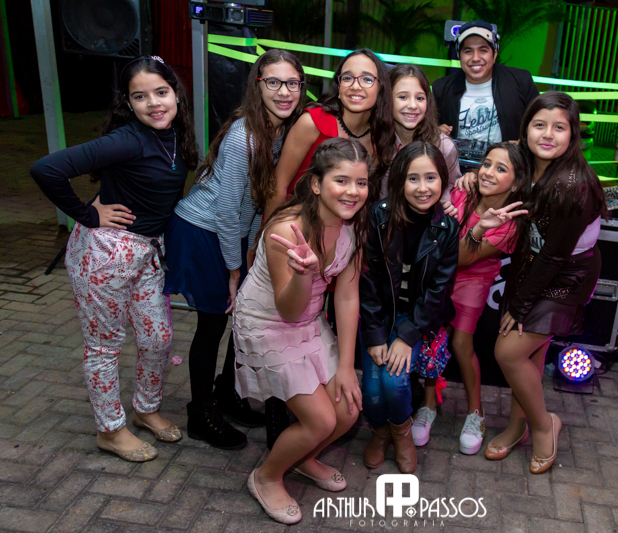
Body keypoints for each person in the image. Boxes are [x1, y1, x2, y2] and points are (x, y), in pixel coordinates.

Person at [30, 56, 198, 462]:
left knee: (158, 338)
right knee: (104, 347)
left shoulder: (176, 135)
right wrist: (88, 214)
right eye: (140, 97)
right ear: (128, 103)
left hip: (147, 255)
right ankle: (110, 430)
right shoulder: (127, 139)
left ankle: (145, 409)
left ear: (176, 94)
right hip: (104, 255)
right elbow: (46, 169)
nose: (153, 103)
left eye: (161, 92)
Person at [162, 50, 306, 449]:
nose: (283, 92)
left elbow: (256, 202)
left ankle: (227, 393)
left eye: (292, 83)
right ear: (257, 86)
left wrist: (253, 246)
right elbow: (227, 209)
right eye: (273, 82)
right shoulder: (245, 136)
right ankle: (201, 413)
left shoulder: (282, 131)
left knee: (239, 316)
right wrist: (234, 268)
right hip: (202, 230)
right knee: (214, 322)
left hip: (233, 231)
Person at [234, 138, 368, 525]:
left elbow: (347, 297)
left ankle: (304, 458)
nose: (353, 192)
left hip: (309, 322)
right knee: (321, 420)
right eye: (341, 181)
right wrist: (304, 275)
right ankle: (266, 476)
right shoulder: (287, 230)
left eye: (361, 183)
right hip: (268, 323)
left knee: (348, 409)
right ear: (316, 184)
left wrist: (346, 367)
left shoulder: (353, 227)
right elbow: (288, 309)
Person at [488, 92, 607, 474]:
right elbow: (494, 171)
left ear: (573, 134)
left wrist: (521, 305)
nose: (548, 134)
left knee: (509, 352)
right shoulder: (527, 163)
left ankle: (544, 427)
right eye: (540, 125)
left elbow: (555, 255)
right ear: (526, 128)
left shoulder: (575, 184)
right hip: (532, 266)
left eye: (559, 127)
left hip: (565, 276)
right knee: (531, 356)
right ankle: (516, 428)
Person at [412, 142, 529, 454]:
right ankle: (428, 405)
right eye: (486, 164)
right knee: (432, 338)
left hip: (472, 279)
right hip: (438, 273)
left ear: (516, 182)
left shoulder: (511, 224)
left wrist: (476, 229)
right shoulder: (463, 192)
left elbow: (463, 258)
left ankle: (475, 413)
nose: (488, 172)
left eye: (501, 169)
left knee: (461, 344)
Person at [359, 141, 460, 474]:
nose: (422, 187)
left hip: (415, 319)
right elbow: (368, 281)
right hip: (379, 316)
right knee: (372, 390)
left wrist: (407, 335)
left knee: (395, 383)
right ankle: (379, 434)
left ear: (442, 180)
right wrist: (375, 334)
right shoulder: (379, 216)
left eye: (431, 178)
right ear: (399, 180)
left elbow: (438, 290)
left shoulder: (447, 227)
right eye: (413, 178)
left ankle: (401, 436)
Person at [265, 49, 394, 218]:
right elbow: (277, 186)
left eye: (367, 79)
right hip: (295, 223)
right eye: (347, 78)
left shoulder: (379, 138)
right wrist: (268, 232)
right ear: (338, 87)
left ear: (381, 89)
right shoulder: (312, 123)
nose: (355, 86)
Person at [433, 20, 539, 144]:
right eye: (468, 51)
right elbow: (426, 127)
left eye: (483, 50)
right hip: (457, 157)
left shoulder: (520, 81)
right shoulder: (441, 88)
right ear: (458, 55)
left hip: (509, 156)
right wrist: (436, 131)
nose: (475, 58)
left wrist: (524, 143)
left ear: (495, 54)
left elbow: (541, 120)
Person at [386, 64, 461, 200]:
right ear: (387, 99)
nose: (412, 105)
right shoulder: (374, 140)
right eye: (403, 97)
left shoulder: (443, 146)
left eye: (420, 98)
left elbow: (451, 190)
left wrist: (443, 204)